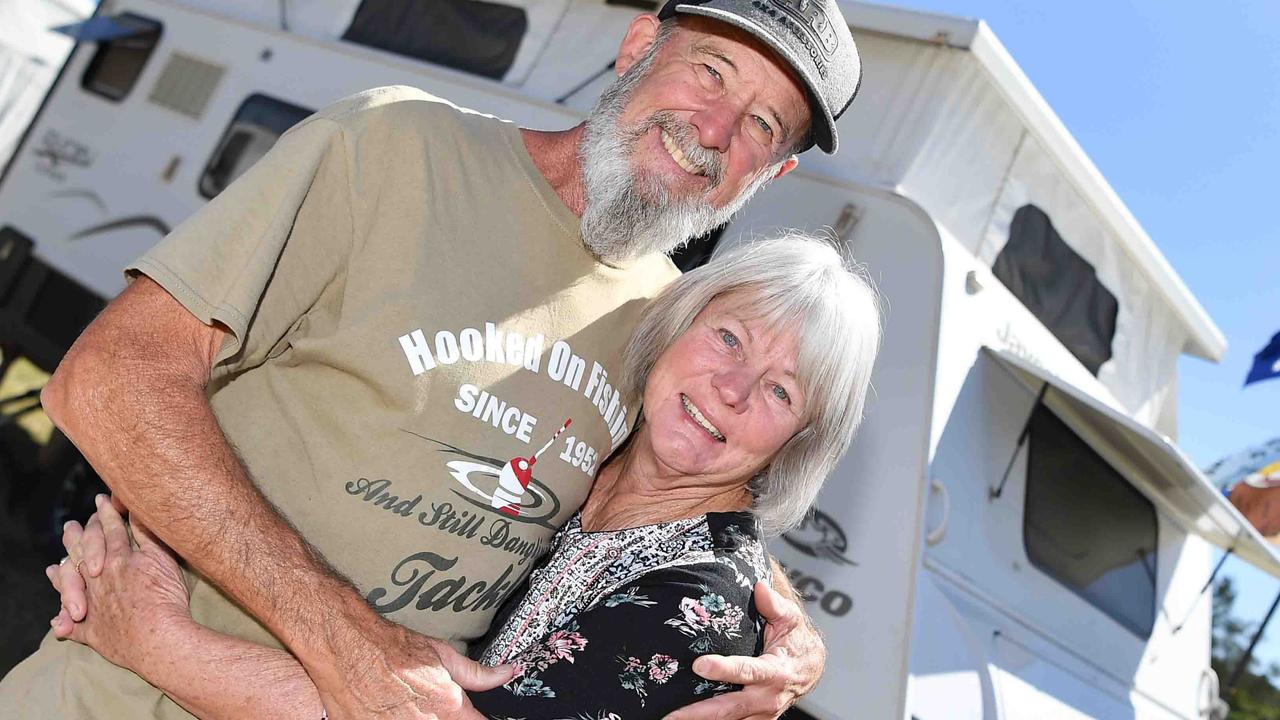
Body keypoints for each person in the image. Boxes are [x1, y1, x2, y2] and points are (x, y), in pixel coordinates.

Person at [1, 0, 864, 717]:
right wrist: (341, 632)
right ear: (637, 46)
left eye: (759, 123)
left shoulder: (667, 323)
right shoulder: (394, 149)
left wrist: (779, 629)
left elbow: (682, 488)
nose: (713, 128)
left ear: (771, 175)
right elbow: (107, 379)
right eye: (710, 70)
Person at [42, 236, 881, 719]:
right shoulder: (606, 448)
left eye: (780, 390)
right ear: (677, 323)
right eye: (729, 339)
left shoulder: (693, 611)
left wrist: (158, 640)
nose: (731, 389)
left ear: (797, 442)